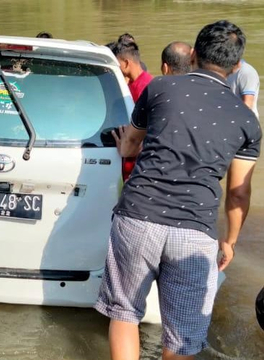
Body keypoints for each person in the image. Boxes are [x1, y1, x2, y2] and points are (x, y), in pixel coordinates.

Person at [96, 20, 261, 360]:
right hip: (194, 232)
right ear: (236, 66)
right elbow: (239, 194)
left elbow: (129, 147)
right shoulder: (247, 121)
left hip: (139, 217)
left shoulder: (159, 88)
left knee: (125, 314)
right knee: (182, 336)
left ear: (196, 54)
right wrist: (229, 240)